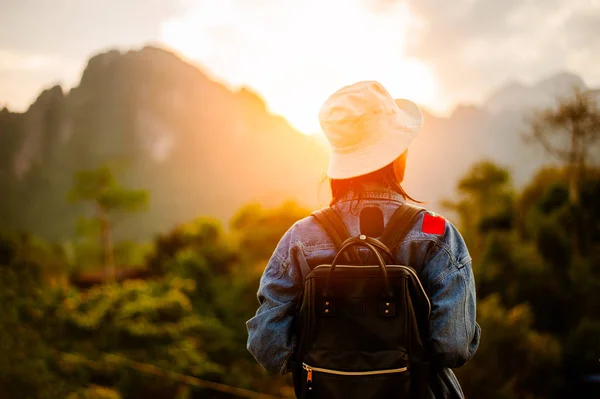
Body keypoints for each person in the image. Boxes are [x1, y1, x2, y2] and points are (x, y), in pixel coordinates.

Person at [246, 81, 480, 397]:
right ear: (398, 156)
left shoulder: (300, 238)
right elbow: (453, 346)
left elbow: (267, 345)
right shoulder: (436, 231)